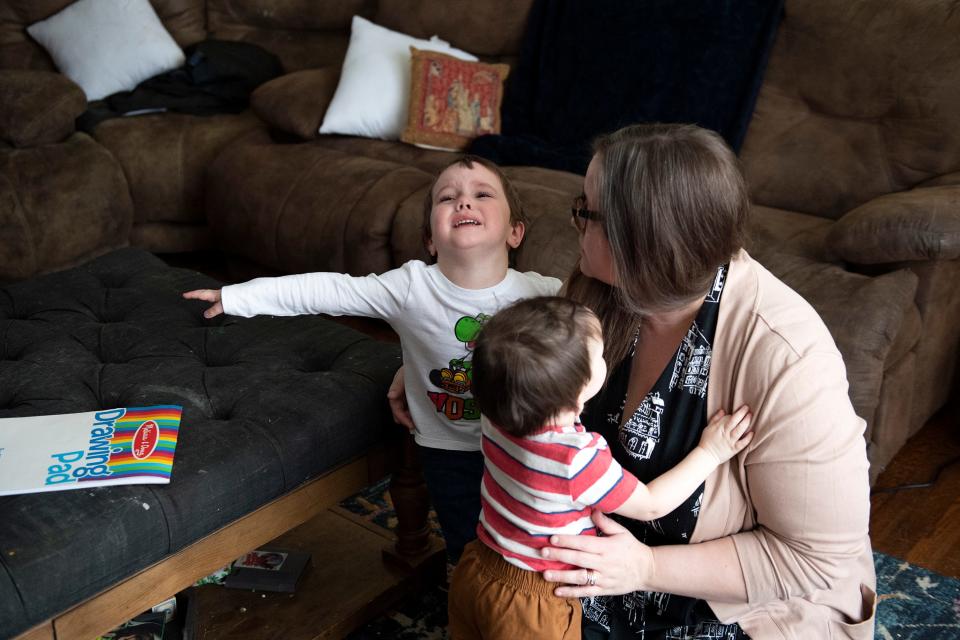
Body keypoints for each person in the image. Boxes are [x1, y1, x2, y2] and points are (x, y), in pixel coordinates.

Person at [535, 123, 876, 638]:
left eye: (587, 211)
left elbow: (813, 561)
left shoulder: (788, 356)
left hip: (726, 607)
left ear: (643, 240)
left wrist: (645, 568)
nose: (575, 221)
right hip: (598, 572)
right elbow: (540, 370)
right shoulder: (601, 289)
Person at [183, 155, 562, 566]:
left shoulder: (541, 293)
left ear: (515, 232)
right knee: (465, 542)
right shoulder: (410, 286)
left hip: (523, 444)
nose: (463, 203)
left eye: (482, 194)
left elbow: (600, 319)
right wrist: (239, 297)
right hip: (447, 447)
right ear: (430, 241)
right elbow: (326, 290)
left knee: (528, 537)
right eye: (447, 197)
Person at [447, 295, 753, 640]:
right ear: (580, 392)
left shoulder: (494, 417)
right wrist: (711, 452)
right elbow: (651, 503)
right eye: (599, 354)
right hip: (536, 597)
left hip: (477, 567)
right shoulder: (576, 458)